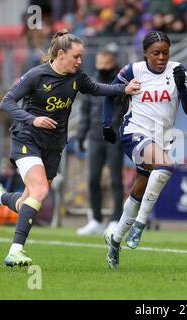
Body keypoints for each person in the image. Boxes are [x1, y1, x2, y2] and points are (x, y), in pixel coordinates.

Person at [0, 29, 140, 267]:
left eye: (81, 57)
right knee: (39, 192)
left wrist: (123, 89)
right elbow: (7, 101)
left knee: (28, 199)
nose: (80, 61)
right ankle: (15, 251)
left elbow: (98, 88)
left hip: (54, 145)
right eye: (76, 56)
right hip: (27, 139)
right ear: (60, 54)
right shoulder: (37, 75)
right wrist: (31, 119)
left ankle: (0, 196)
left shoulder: (77, 78)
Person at [102, 31, 187, 269]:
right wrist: (106, 123)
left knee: (138, 191)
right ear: (145, 53)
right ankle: (139, 226)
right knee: (165, 166)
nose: (161, 57)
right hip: (134, 133)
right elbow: (110, 94)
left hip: (161, 139)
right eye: (156, 53)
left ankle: (114, 239)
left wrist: (181, 88)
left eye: (165, 52)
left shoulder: (178, 70)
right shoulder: (133, 71)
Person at [76, 49, 125, 236]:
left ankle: (115, 219)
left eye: (106, 61)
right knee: (93, 179)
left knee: (115, 180)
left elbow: (127, 109)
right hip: (95, 137)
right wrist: (81, 136)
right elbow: (85, 113)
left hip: (114, 138)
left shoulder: (121, 81)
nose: (103, 65)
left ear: (113, 62)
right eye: (100, 61)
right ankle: (96, 219)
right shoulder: (90, 83)